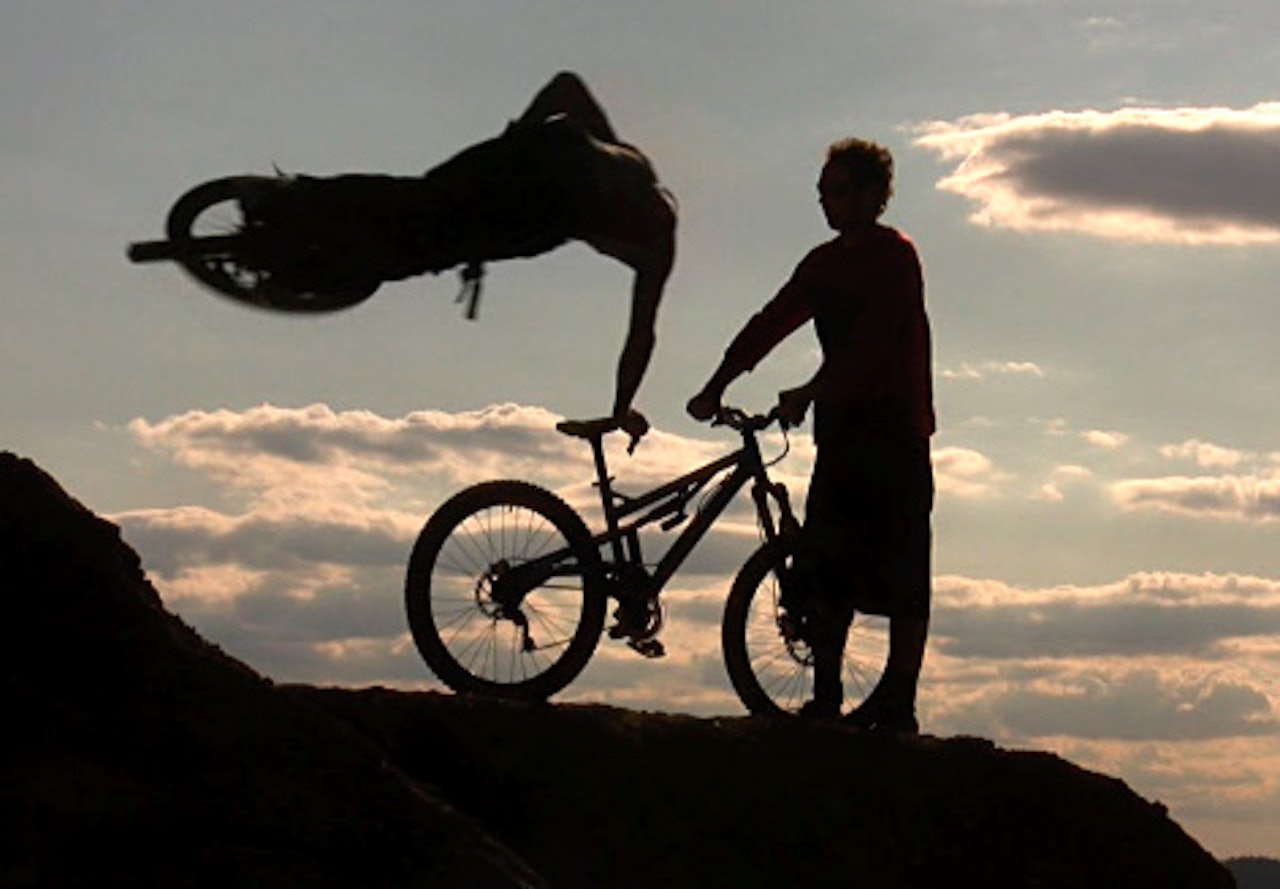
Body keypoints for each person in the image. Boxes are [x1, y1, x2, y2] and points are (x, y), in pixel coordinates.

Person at [687, 138, 935, 732]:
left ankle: (897, 701)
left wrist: (806, 391)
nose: (828, 203)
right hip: (842, 430)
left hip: (896, 426)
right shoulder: (822, 265)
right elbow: (774, 319)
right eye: (822, 193)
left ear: (876, 196)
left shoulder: (895, 258)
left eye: (841, 191)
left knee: (903, 565)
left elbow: (872, 346)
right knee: (825, 561)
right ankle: (827, 697)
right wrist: (717, 381)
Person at [424, 72, 676, 442]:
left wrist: (512, 139)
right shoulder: (655, 250)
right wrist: (620, 409)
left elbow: (566, 86)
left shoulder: (622, 171)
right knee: (456, 227)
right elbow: (641, 334)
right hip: (560, 181)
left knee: (439, 200)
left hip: (551, 159)